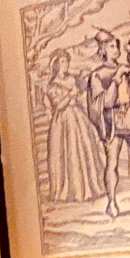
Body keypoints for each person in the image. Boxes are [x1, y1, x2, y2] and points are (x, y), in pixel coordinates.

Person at [87, 30, 130, 218]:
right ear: (103, 50)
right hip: (113, 121)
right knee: (112, 163)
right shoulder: (97, 75)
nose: (116, 49)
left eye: (116, 45)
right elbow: (106, 102)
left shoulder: (125, 68)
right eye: (111, 46)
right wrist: (116, 78)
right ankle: (111, 202)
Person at [45, 48, 104, 203]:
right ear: (56, 64)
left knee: (84, 148)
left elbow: (77, 98)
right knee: (68, 151)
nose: (66, 64)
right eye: (63, 61)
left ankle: (88, 188)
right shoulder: (53, 85)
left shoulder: (72, 79)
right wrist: (70, 95)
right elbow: (58, 106)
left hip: (77, 117)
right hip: (63, 122)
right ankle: (71, 190)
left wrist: (78, 95)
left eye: (67, 61)